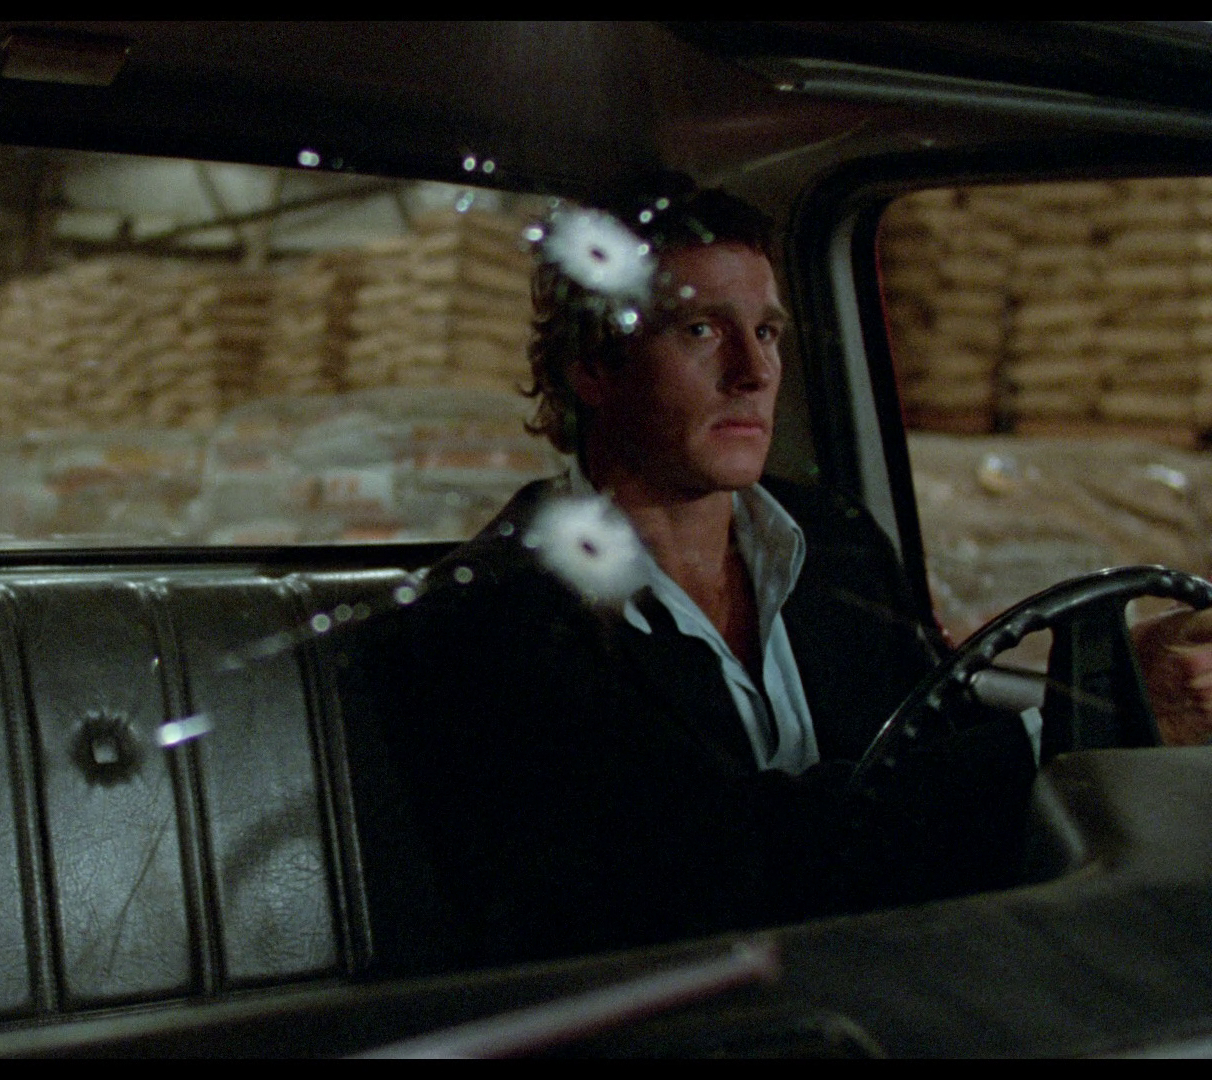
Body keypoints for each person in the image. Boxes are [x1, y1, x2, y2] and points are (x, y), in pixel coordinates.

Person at [347, 177, 1054, 972]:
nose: (754, 371)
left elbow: (935, 737)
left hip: (896, 980)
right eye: (700, 330)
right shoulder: (488, 616)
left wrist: (1107, 692)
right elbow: (703, 865)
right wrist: (1044, 741)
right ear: (594, 366)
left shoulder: (838, 541)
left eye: (767, 331)